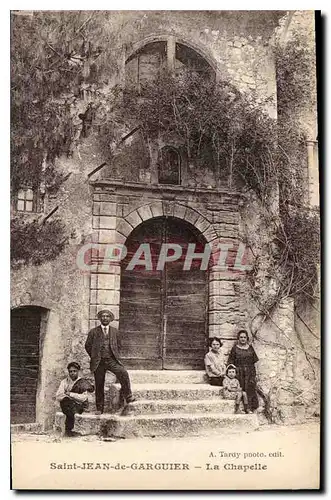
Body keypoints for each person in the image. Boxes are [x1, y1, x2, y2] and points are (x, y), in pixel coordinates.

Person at [85, 309, 136, 414]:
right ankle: (99, 409)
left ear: (110, 319)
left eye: (107, 316)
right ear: (100, 318)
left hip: (111, 360)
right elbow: (87, 346)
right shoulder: (93, 332)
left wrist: (115, 355)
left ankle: (128, 396)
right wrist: (95, 356)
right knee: (99, 384)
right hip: (99, 362)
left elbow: (119, 345)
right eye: (103, 316)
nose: (105, 318)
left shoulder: (115, 331)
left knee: (123, 372)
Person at [56, 362, 94, 437]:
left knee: (68, 404)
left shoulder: (82, 382)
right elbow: (58, 396)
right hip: (68, 404)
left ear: (78, 371)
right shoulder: (64, 382)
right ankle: (69, 430)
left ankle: (68, 430)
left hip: (79, 406)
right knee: (66, 401)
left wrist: (70, 394)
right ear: (68, 372)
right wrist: (70, 397)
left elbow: (83, 398)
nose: (72, 373)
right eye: (70, 371)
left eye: (74, 371)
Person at [227, 329, 259, 412]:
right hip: (239, 372)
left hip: (250, 372)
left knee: (250, 388)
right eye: (241, 337)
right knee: (241, 390)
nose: (243, 339)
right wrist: (234, 372)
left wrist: (256, 374)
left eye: (244, 337)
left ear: (247, 338)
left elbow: (254, 362)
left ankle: (250, 408)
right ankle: (241, 408)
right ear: (238, 338)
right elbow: (230, 362)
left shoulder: (250, 348)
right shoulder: (235, 349)